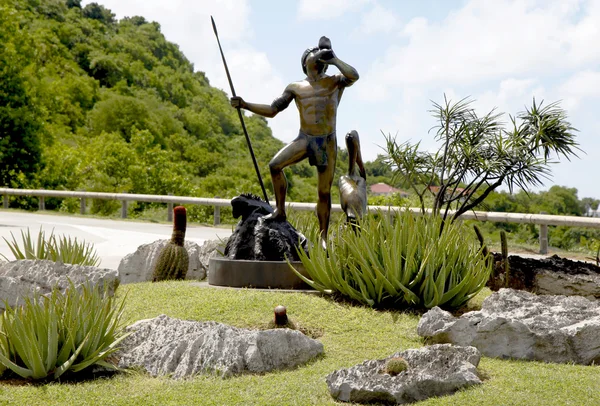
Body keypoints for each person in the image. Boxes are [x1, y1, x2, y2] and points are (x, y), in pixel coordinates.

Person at [230, 36, 359, 246]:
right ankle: (280, 210)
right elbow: (272, 110)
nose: (318, 55)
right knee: (275, 165)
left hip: (326, 142)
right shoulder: (296, 87)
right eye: (314, 53)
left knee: (324, 192)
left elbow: (354, 76)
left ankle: (323, 237)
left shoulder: (335, 80)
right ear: (305, 61)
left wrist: (334, 59)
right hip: (305, 139)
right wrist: (245, 104)